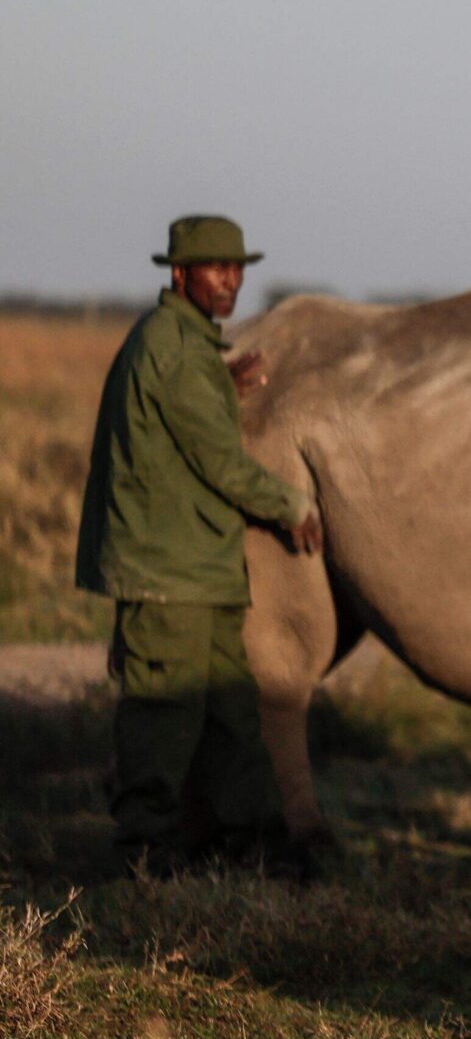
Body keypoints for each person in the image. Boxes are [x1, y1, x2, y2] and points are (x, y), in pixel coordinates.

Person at [73, 215, 325, 878]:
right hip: (170, 572)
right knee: (162, 716)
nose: (231, 280)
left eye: (238, 268)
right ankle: (144, 860)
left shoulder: (186, 348)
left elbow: (188, 417)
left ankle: (251, 844)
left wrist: (222, 385)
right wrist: (293, 504)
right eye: (216, 268)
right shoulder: (177, 350)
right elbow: (219, 461)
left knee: (233, 716)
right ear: (180, 273)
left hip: (200, 568)